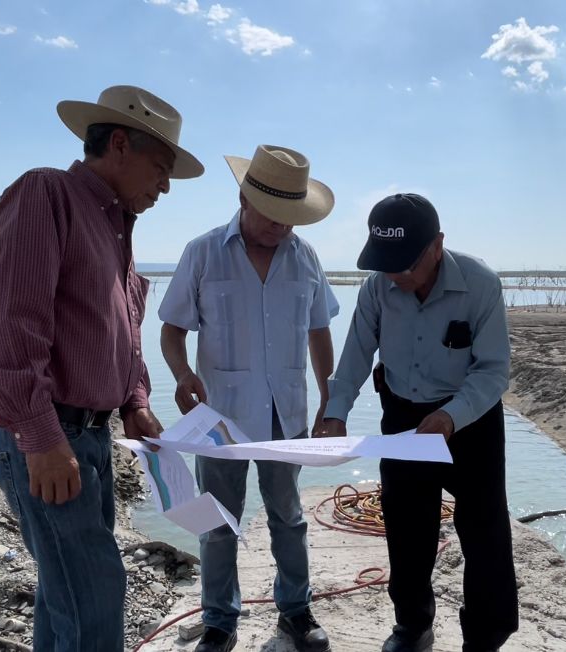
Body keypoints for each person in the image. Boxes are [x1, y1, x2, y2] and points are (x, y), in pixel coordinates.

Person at [0, 85, 203, 652]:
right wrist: (40, 437)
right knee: (95, 594)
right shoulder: (46, 194)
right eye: (161, 167)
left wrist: (135, 401)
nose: (165, 185)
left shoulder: (116, 225)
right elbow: (12, 324)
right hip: (53, 434)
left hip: (89, 435)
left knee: (68, 599)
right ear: (120, 144)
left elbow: (118, 336)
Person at [316, 193, 519, 652]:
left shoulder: (481, 284)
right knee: (406, 524)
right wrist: (334, 412)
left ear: (437, 245)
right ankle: (412, 624)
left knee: (485, 528)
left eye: (405, 264)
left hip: (470, 419)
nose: (396, 275)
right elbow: (353, 359)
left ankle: (485, 637)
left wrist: (450, 417)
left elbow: (493, 371)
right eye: (387, 264)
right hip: (404, 416)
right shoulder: (376, 289)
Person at [159, 145, 338, 652]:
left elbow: (319, 331)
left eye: (291, 218)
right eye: (273, 216)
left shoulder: (306, 258)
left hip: (288, 415)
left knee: (289, 516)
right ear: (243, 197)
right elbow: (172, 331)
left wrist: (330, 396)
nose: (282, 227)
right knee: (215, 523)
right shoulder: (203, 252)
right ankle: (219, 620)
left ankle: (296, 612)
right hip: (219, 417)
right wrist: (181, 373)